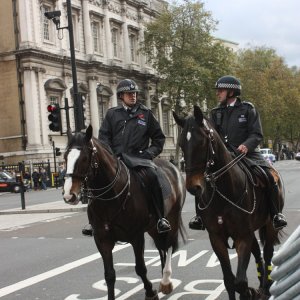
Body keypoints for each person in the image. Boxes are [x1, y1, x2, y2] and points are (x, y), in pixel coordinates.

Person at [189, 75, 287, 231]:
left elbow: (257, 134)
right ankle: (199, 217)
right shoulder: (215, 112)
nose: (217, 93)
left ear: (231, 92)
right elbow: (211, 135)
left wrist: (246, 145)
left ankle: (276, 215)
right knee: (202, 180)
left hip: (248, 154)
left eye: (220, 90)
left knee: (269, 177)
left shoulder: (248, 109)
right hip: (224, 156)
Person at [82, 79, 171, 236]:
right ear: (121, 96)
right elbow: (104, 138)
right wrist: (111, 155)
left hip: (140, 159)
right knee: (95, 180)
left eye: (135, 93)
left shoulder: (146, 114)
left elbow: (159, 139)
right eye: (129, 94)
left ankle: (160, 218)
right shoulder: (112, 114)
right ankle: (92, 221)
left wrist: (148, 154)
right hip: (116, 159)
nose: (133, 96)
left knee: (153, 177)